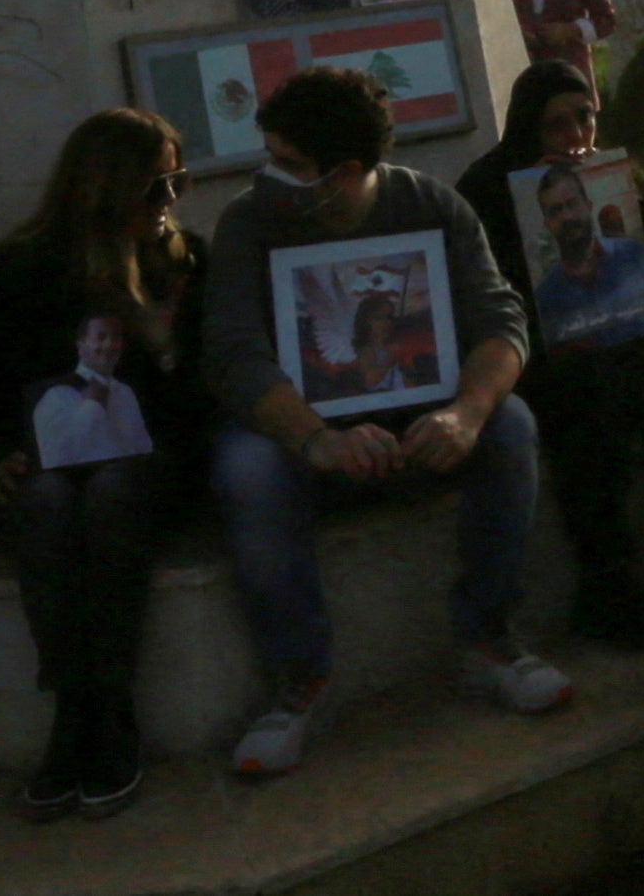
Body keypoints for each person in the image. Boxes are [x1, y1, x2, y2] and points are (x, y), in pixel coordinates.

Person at [202, 67, 569, 778]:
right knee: (244, 466)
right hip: (302, 435)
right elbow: (233, 355)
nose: (268, 175)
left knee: (511, 425)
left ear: (342, 173)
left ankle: (489, 640)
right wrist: (315, 438)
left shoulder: (430, 206)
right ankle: (298, 681)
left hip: (419, 423)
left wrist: (464, 413)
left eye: (288, 163)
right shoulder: (249, 222)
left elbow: (499, 320)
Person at [0, 110, 211, 819]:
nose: (169, 203)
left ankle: (110, 710)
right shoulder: (30, 268)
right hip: (48, 461)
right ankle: (75, 711)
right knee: (44, 502)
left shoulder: (186, 263)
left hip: (151, 462)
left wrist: (160, 345)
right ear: (105, 190)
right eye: (154, 187)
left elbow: (205, 402)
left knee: (109, 493)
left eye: (177, 182)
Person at [456, 63, 644, 648]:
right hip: (538, 354)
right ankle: (608, 584)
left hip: (620, 336)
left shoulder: (601, 176)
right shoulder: (485, 187)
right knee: (588, 401)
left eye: (583, 117)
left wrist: (618, 204)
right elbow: (486, 298)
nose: (574, 135)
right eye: (556, 124)